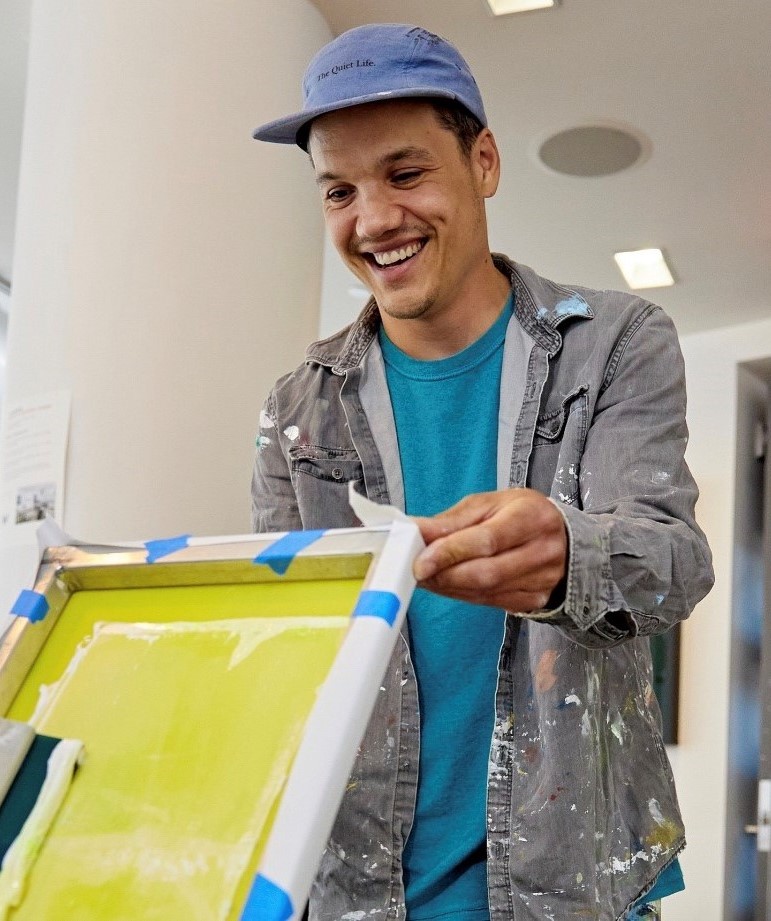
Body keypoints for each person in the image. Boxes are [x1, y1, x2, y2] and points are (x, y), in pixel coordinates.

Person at [251, 23, 714, 921]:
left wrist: (568, 555)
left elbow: (673, 566)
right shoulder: (296, 410)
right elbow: (291, 656)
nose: (374, 217)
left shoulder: (614, 342)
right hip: (355, 892)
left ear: (485, 162)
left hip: (574, 886)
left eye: (406, 172)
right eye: (338, 190)